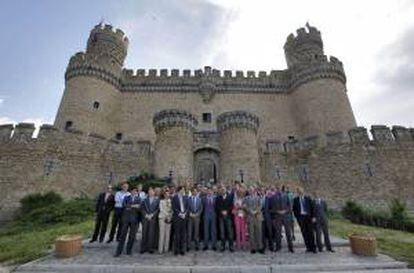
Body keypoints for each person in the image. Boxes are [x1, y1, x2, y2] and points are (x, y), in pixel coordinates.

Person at [114, 187, 141, 257]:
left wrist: (131, 206)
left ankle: (129, 250)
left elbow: (140, 208)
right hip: (126, 218)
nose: (134, 192)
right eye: (133, 190)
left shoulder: (139, 199)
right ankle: (118, 251)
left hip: (134, 219)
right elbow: (124, 206)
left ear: (137, 192)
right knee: (122, 235)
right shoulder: (126, 197)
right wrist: (134, 206)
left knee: (132, 236)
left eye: (136, 191)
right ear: (131, 191)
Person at [268, 187, 294, 252]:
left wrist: (285, 211)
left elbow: (290, 207)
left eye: (279, 189)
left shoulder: (286, 196)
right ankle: (278, 247)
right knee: (278, 233)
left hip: (286, 216)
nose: (278, 190)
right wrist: (277, 211)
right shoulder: (272, 198)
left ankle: (290, 247)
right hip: (277, 217)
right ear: (275, 190)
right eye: (277, 189)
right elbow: (270, 209)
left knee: (288, 232)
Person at [293, 187, 317, 253]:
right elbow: (294, 209)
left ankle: (313, 247)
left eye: (301, 190)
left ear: (303, 191)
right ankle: (308, 247)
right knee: (304, 233)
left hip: (308, 217)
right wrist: (297, 217)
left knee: (311, 232)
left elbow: (312, 208)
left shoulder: (308, 198)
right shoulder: (295, 200)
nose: (300, 192)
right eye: (298, 191)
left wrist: (314, 217)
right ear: (297, 192)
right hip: (301, 218)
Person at [243, 186, 264, 254]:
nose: (251, 191)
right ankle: (253, 248)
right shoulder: (246, 198)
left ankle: (260, 247)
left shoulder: (258, 197)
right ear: (248, 191)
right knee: (251, 233)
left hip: (257, 217)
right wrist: (250, 211)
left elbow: (260, 206)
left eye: (252, 190)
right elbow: (244, 206)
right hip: (250, 217)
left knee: (258, 233)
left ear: (254, 191)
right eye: (250, 190)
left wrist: (255, 211)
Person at [141, 187, 160, 254]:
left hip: (152, 218)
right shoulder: (144, 200)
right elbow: (142, 208)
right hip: (145, 218)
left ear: (154, 193)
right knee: (144, 233)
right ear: (148, 193)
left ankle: (150, 248)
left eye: (152, 192)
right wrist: (146, 215)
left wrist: (152, 215)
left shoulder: (157, 200)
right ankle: (143, 248)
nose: (151, 193)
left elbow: (157, 209)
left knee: (151, 233)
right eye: (149, 192)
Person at [216, 186, 234, 252]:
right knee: (222, 232)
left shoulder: (229, 197)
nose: (223, 191)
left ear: (226, 190)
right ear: (220, 191)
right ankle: (222, 245)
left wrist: (227, 211)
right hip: (221, 217)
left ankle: (231, 246)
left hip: (228, 216)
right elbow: (217, 206)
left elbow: (231, 206)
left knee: (229, 232)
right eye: (221, 190)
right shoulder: (218, 198)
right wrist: (221, 211)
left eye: (224, 190)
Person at [172, 186, 188, 255]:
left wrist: (185, 213)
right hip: (177, 218)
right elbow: (174, 207)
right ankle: (176, 250)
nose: (183, 191)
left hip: (184, 218)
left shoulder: (185, 198)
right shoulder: (175, 198)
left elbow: (187, 207)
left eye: (184, 190)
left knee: (183, 234)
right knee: (177, 235)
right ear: (179, 190)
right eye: (182, 190)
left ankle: (182, 249)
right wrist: (180, 214)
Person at [158, 188, 172, 254]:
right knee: (162, 234)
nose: (167, 195)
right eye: (165, 194)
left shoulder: (171, 201)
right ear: (164, 195)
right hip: (162, 217)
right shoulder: (161, 201)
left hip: (169, 218)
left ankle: (166, 248)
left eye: (168, 194)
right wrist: (167, 215)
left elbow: (172, 210)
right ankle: (160, 249)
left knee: (167, 234)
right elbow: (161, 209)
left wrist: (170, 216)